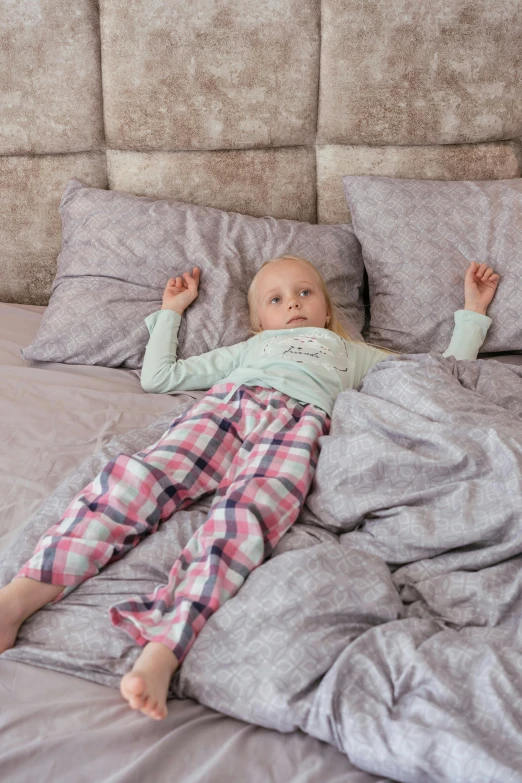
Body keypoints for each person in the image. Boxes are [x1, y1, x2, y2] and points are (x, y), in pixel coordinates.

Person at [0, 255, 499, 720]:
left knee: (244, 521)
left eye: (305, 293)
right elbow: (159, 377)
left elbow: (429, 374)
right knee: (139, 480)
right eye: (276, 299)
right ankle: (19, 597)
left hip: (299, 427)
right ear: (259, 321)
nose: (294, 304)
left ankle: (163, 650)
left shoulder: (350, 352)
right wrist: (170, 312)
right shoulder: (252, 347)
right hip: (227, 408)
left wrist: (471, 315)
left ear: (327, 311)